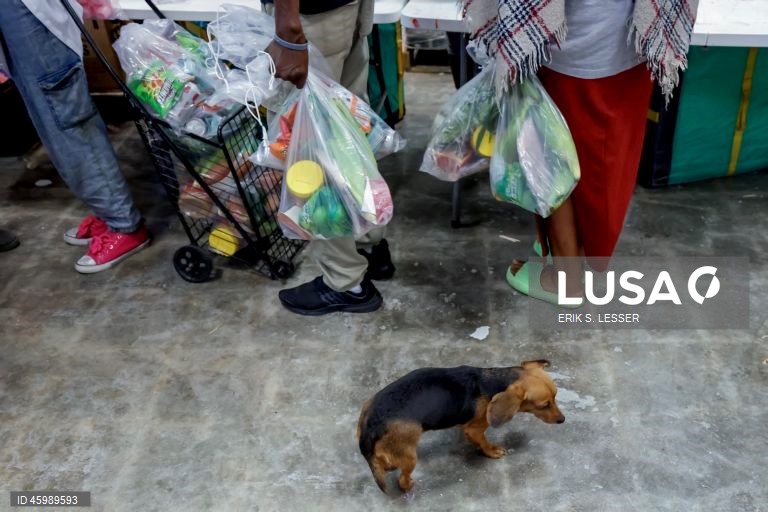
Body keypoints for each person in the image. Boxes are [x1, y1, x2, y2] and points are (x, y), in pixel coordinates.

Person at [462, 0, 698, 303]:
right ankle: (575, 251)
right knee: (606, 162)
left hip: (571, 47)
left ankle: (566, 280)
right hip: (635, 39)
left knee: (553, 165)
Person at [265, 0, 395, 316]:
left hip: (308, 18)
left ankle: (346, 282)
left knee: (308, 149)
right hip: (343, 9)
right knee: (347, 134)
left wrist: (287, 28)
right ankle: (369, 242)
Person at [0, 0, 150, 273]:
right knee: (49, 118)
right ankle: (108, 212)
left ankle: (123, 223)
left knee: (64, 114)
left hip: (27, 11)